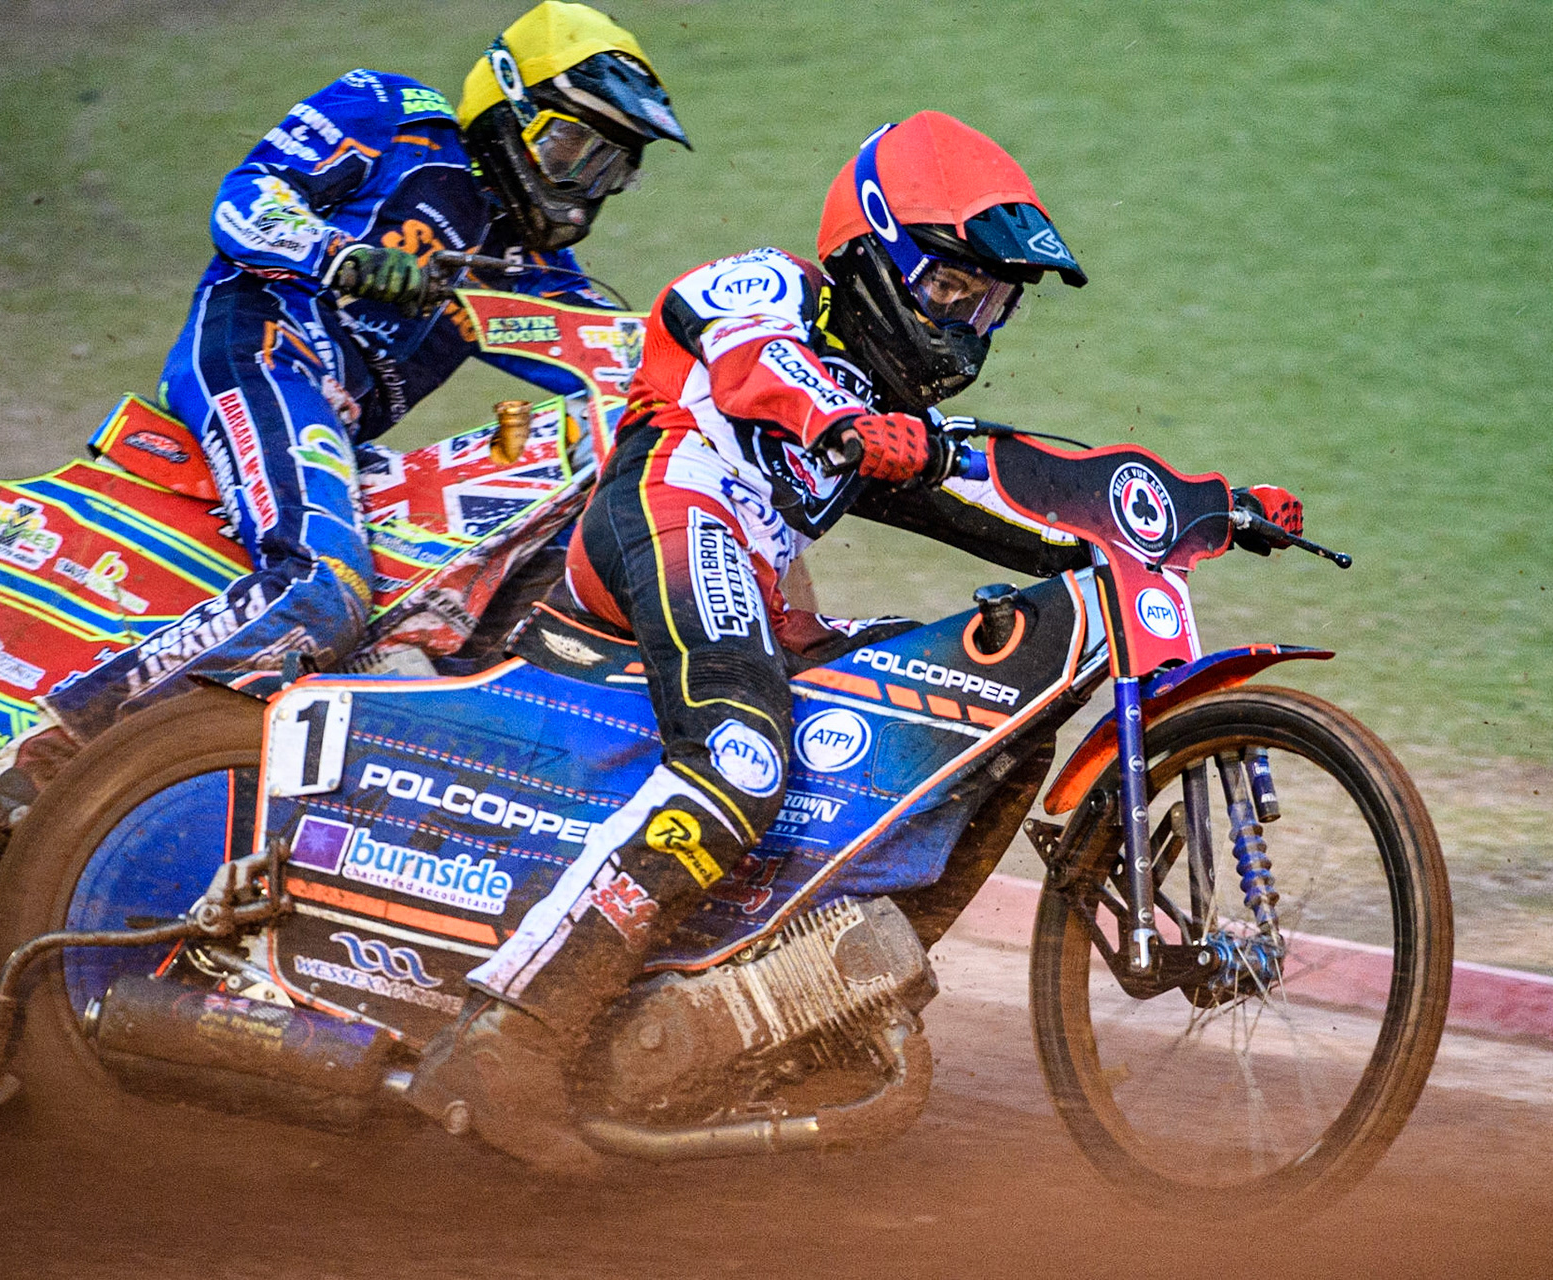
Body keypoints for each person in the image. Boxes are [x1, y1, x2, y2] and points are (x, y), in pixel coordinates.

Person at [405, 110, 1304, 1175]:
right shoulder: (770, 287)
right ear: (876, 255)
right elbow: (754, 359)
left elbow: (1020, 485)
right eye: (951, 288)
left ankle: (804, 1001)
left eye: (991, 303)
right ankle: (510, 1036)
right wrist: (840, 422)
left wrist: (1207, 508)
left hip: (754, 584)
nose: (968, 323)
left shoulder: (890, 410)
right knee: (740, 757)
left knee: (984, 720)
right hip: (666, 511)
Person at [11, 2, 688, 763]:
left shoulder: (533, 272)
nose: (587, 184)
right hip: (259, 351)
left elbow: (628, 361)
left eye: (612, 166)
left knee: (490, 553)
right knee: (323, 587)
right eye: (572, 148)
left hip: (334, 432)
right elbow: (244, 199)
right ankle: (54, 751)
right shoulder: (394, 114)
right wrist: (337, 255)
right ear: (509, 106)